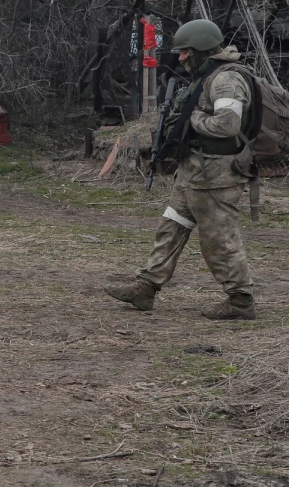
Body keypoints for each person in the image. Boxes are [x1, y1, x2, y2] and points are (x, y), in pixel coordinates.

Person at [106, 18, 257, 320]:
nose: (181, 58)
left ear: (201, 49)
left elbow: (228, 124)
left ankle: (240, 300)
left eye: (186, 52)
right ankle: (145, 288)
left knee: (218, 238)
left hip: (216, 175)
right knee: (171, 226)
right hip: (194, 171)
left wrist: (191, 122)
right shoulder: (207, 75)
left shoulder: (226, 80)